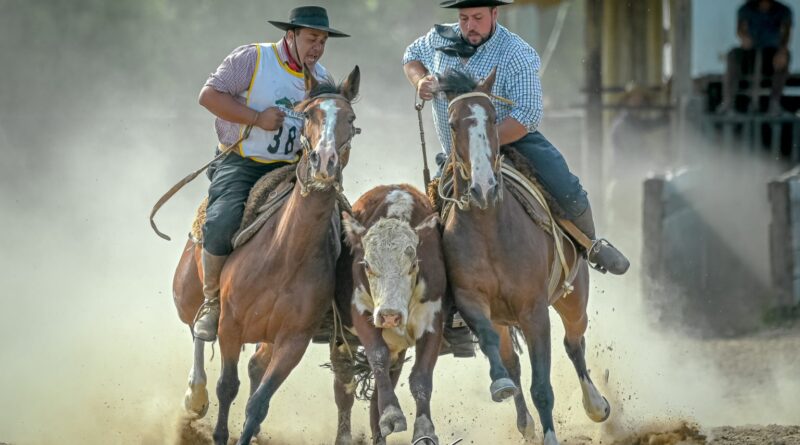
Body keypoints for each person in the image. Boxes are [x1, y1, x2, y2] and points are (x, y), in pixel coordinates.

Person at [403, 0, 629, 355]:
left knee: (568, 189)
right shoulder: (436, 40)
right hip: (459, 156)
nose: (470, 26)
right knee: (431, 221)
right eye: (464, 18)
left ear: (495, 14)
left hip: (515, 141)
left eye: (478, 17)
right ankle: (446, 312)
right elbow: (410, 57)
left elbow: (527, 114)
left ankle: (590, 245)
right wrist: (421, 82)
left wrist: (485, 144)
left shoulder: (516, 53)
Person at [192, 6, 349, 342]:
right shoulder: (253, 58)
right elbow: (208, 96)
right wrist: (255, 117)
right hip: (242, 163)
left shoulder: (320, 79)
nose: (317, 47)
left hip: (294, 169)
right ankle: (211, 302)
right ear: (290, 35)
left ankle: (338, 311)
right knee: (221, 220)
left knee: (341, 224)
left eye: (322, 41)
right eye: (311, 39)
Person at [719, 0, 793, 115]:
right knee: (733, 54)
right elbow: (740, 30)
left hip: (771, 55)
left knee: (785, 56)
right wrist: (745, 39)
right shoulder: (745, 9)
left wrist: (782, 51)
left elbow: (786, 33)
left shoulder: (783, 10)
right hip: (750, 54)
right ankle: (728, 103)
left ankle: (774, 103)